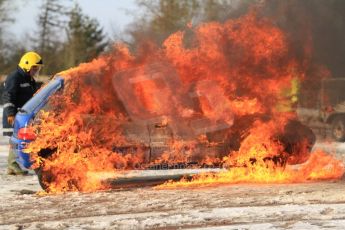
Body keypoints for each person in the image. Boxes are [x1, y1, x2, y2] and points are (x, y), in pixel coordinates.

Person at [2, 51, 43, 175]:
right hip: (14, 116)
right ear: (26, 65)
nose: (36, 71)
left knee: (21, 140)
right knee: (15, 140)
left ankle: (14, 165)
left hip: (24, 116)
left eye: (37, 68)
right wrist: (10, 113)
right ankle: (12, 165)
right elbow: (8, 95)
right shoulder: (14, 78)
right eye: (34, 68)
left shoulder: (29, 79)